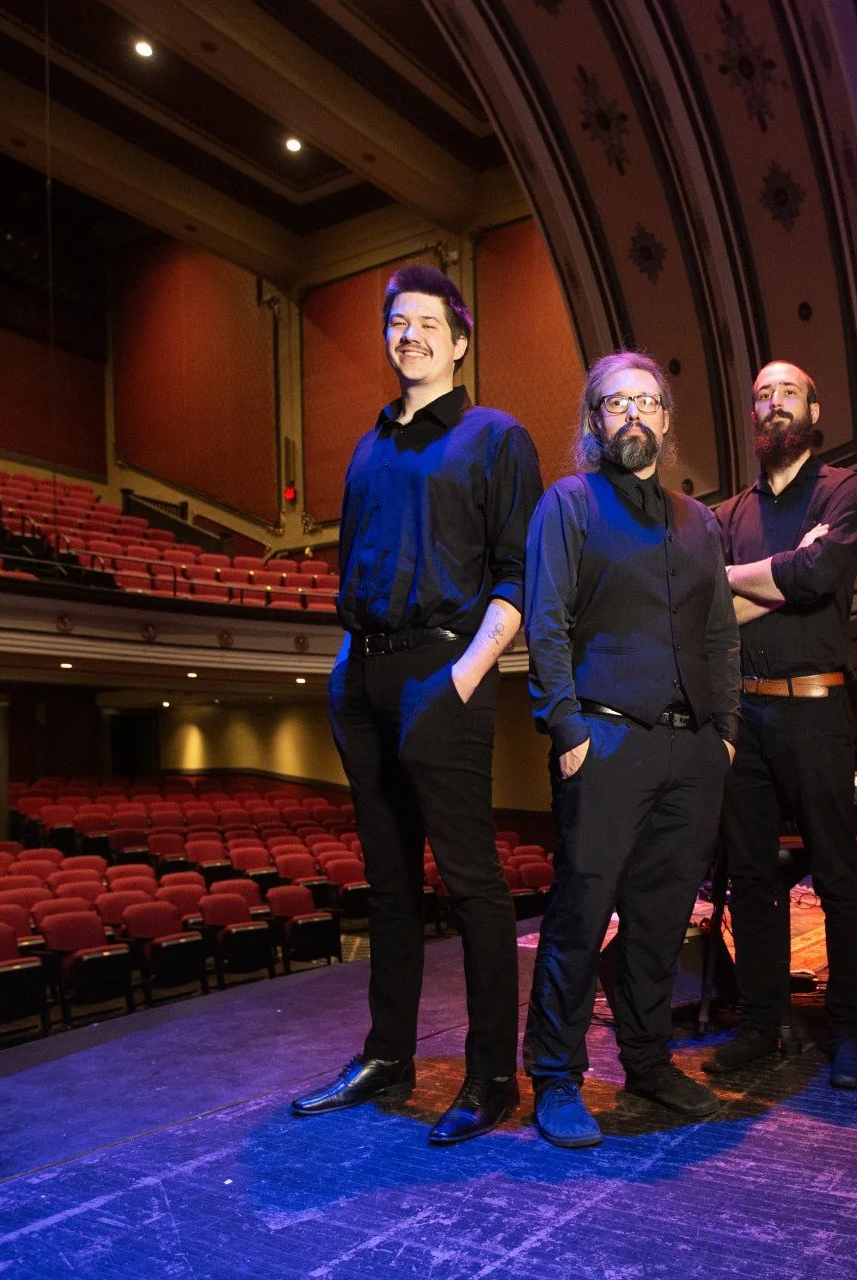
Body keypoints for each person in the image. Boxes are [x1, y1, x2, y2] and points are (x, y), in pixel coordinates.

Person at [292, 264, 541, 1148]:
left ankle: (491, 1077)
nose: (411, 335)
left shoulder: (496, 436)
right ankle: (388, 1057)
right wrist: (343, 673)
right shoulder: (366, 447)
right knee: (388, 884)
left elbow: (517, 575)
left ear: (460, 339)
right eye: (398, 322)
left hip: (445, 671)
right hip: (362, 677)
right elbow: (354, 567)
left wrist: (466, 674)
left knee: (473, 887)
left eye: (429, 323)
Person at [521, 350, 741, 1149]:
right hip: (604, 741)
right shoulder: (568, 503)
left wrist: (725, 735)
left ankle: (648, 1064)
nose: (633, 415)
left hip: (691, 753)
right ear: (595, 421)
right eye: (617, 404)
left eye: (647, 401)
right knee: (580, 916)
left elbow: (720, 635)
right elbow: (544, 623)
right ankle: (553, 1076)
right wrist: (569, 731)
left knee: (657, 922)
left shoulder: (698, 521)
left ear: (666, 418)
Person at [705, 360, 857, 1088]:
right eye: (761, 396)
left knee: (837, 874)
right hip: (745, 709)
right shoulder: (726, 515)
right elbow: (715, 605)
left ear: (814, 407)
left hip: (815, 708)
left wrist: (773, 575)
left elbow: (816, 579)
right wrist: (786, 569)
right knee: (751, 879)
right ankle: (761, 1023)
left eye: (788, 393)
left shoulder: (847, 490)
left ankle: (851, 1031)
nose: (774, 403)